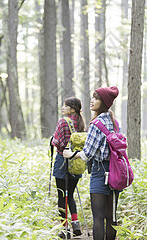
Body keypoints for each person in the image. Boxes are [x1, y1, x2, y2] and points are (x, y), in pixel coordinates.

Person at [64, 86, 120, 240]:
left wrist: (71, 154)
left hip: (100, 172)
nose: (92, 100)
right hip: (115, 172)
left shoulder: (96, 124)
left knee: (98, 218)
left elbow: (87, 154)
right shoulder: (115, 122)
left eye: (96, 98)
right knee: (111, 218)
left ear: (103, 103)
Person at [51, 97, 86, 238]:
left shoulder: (63, 121)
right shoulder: (81, 123)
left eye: (66, 106)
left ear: (72, 109)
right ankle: (76, 223)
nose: (63, 108)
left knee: (61, 196)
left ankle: (65, 230)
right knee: (70, 194)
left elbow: (58, 143)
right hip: (76, 161)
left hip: (62, 161)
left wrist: (52, 138)